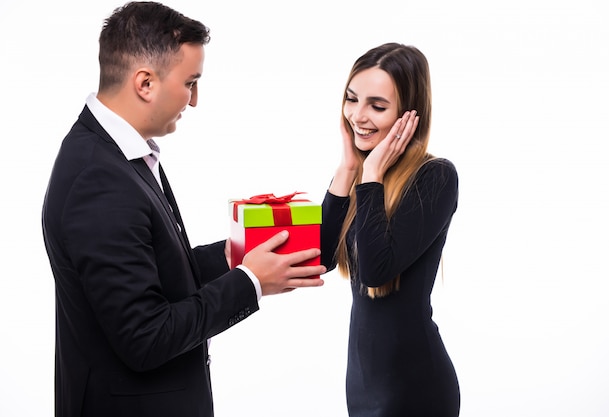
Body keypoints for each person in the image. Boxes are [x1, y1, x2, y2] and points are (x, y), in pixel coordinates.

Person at [41, 2, 326, 416]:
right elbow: (145, 336)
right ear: (145, 83)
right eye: (190, 82)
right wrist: (249, 282)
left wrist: (230, 257)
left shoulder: (120, 152)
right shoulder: (97, 179)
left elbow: (147, 270)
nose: (194, 100)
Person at [320, 43, 460, 416]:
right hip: (363, 384)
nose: (358, 115)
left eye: (377, 106)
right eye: (352, 99)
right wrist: (349, 169)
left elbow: (375, 270)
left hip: (415, 389)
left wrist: (370, 177)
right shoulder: (362, 176)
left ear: (408, 114)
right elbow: (320, 256)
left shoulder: (436, 176)